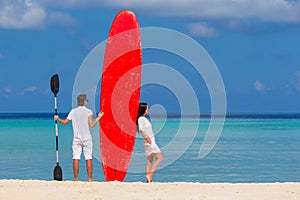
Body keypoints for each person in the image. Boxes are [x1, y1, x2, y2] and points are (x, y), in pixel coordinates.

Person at [54, 94, 103, 182]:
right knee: (88, 158)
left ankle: (76, 179)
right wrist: (98, 118)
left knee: (76, 158)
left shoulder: (73, 111)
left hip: (76, 139)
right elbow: (91, 125)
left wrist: (58, 119)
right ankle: (90, 179)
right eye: (86, 100)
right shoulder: (89, 112)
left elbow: (65, 122)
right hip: (87, 138)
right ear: (84, 101)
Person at [136, 102, 163, 183]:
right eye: (147, 108)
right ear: (144, 109)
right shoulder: (142, 119)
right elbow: (141, 130)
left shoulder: (142, 119)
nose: (148, 109)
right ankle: (150, 175)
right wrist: (148, 140)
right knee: (160, 158)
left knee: (149, 160)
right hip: (150, 142)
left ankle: (148, 180)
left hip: (149, 142)